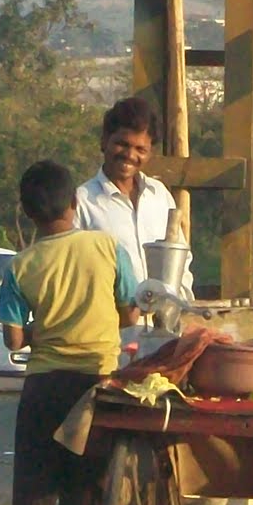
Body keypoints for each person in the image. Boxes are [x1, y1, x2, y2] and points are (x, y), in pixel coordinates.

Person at [0, 159, 140, 505]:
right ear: (75, 204)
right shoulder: (106, 246)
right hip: (98, 385)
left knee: (36, 494)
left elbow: (14, 341)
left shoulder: (21, 266)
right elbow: (131, 314)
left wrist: (45, 330)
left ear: (27, 213)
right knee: (87, 491)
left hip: (44, 387)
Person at [74, 97, 194, 342]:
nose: (130, 155)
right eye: (122, 144)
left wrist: (177, 309)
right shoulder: (83, 201)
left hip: (165, 333)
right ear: (104, 141)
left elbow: (182, 259)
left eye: (141, 149)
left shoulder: (159, 195)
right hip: (110, 338)